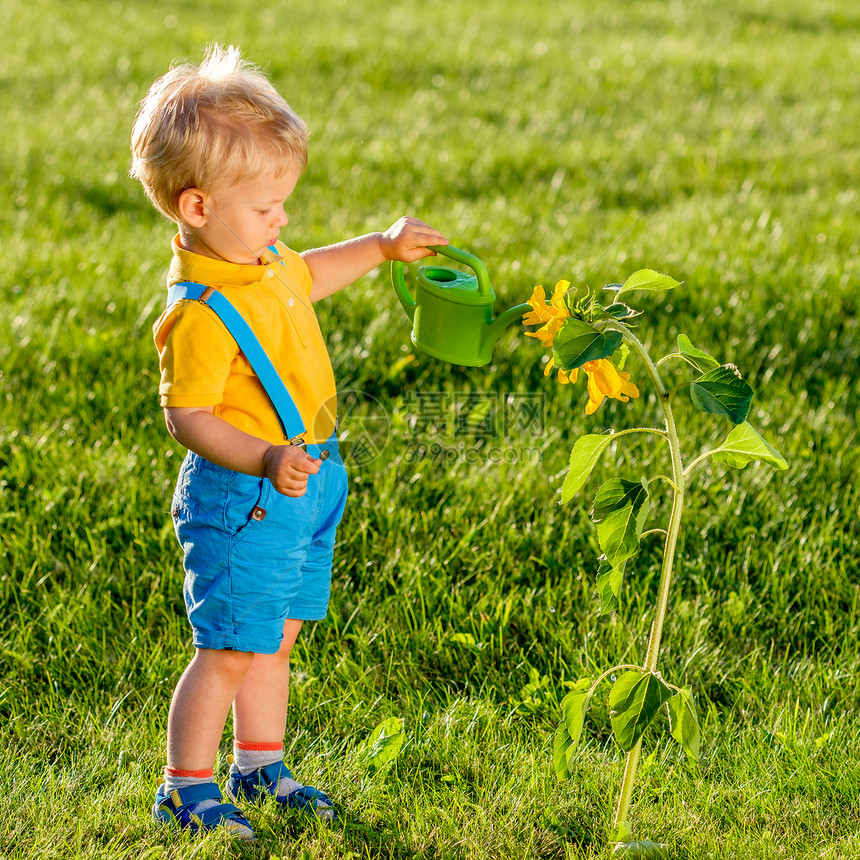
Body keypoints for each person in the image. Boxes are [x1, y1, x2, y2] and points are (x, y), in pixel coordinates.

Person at [130, 43, 447, 840]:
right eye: (267, 206)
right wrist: (265, 458)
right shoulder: (199, 309)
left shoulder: (264, 261)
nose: (282, 222)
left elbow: (309, 273)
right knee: (230, 647)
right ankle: (185, 786)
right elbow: (189, 419)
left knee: (275, 639)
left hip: (307, 482)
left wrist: (379, 245)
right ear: (196, 207)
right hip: (246, 498)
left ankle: (260, 766)